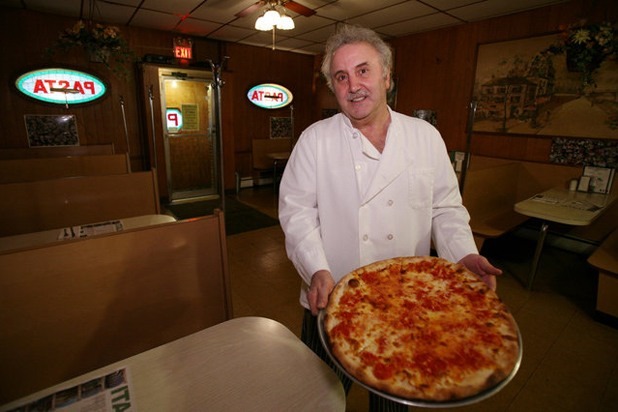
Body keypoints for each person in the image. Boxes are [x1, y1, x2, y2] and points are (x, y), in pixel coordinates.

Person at [278, 24, 502, 412]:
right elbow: (297, 213)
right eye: (341, 77)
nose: (354, 86)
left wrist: (462, 255)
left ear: (387, 76)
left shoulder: (425, 137)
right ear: (333, 86)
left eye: (364, 70)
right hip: (333, 298)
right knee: (315, 398)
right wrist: (315, 268)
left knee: (394, 403)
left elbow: (446, 207)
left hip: (405, 305)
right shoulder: (315, 140)